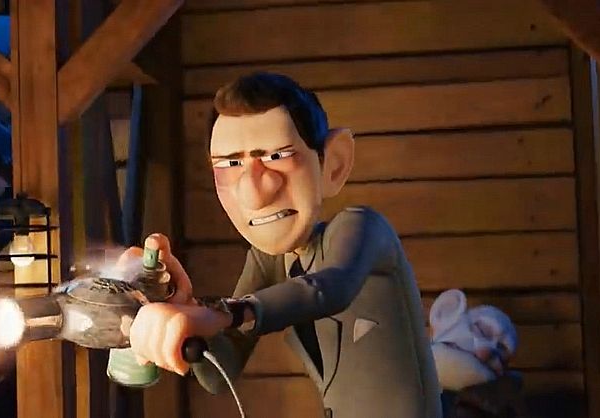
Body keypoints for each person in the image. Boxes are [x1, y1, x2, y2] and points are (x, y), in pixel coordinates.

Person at [126, 72, 442, 418]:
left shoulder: (363, 228)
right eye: (231, 164)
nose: (254, 192)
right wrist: (185, 309)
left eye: (277, 156)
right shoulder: (270, 261)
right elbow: (220, 372)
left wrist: (219, 314)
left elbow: (329, 288)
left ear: (332, 164)